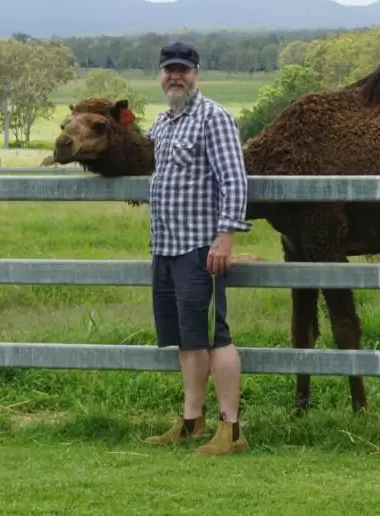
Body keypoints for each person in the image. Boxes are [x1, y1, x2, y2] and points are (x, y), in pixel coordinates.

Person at [142, 40, 252, 456]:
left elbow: (234, 180)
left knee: (214, 336)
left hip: (199, 246)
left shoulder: (213, 118)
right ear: (160, 74)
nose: (175, 76)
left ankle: (232, 430)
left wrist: (225, 236)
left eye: (183, 70)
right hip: (166, 245)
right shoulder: (162, 123)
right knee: (187, 339)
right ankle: (192, 421)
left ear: (196, 74)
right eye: (169, 69)